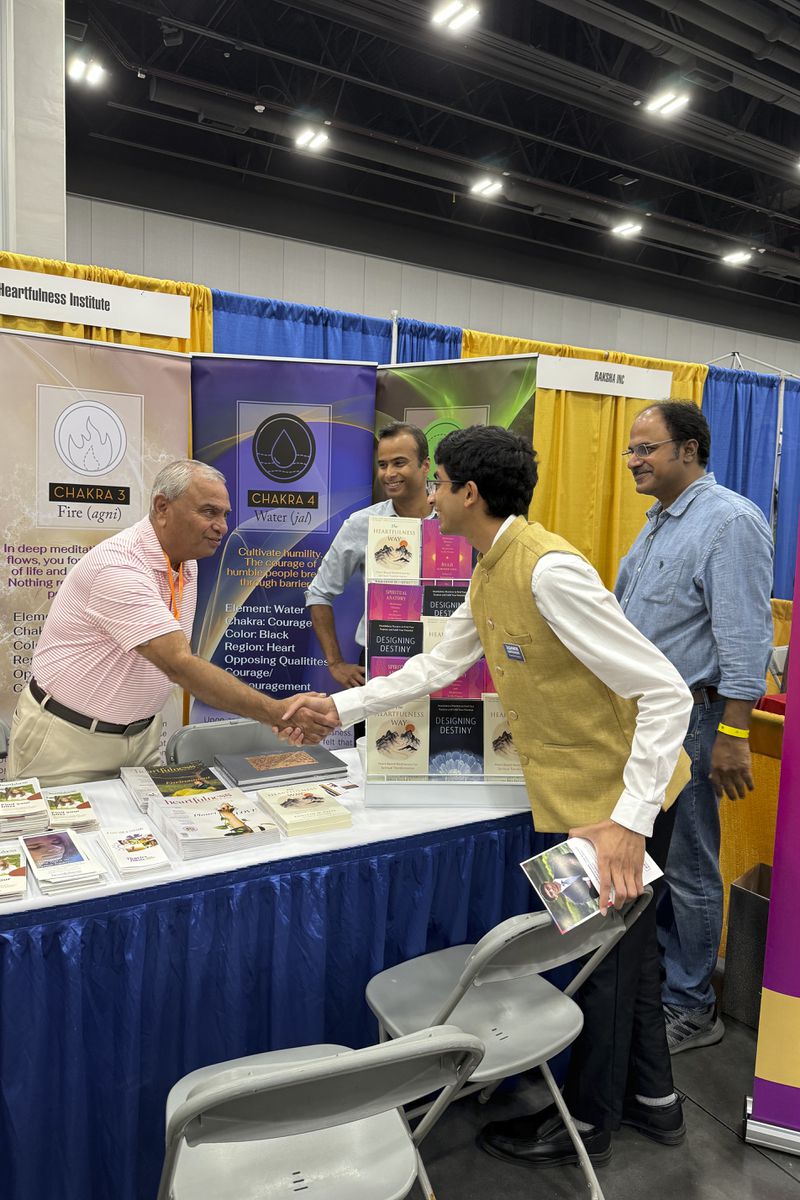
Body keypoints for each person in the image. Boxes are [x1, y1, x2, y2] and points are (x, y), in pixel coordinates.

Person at [285, 425, 694, 1167]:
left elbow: (666, 692)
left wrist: (630, 822)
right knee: (628, 961)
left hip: (618, 806)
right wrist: (336, 710)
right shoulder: (488, 568)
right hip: (589, 801)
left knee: (595, 965)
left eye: (437, 482)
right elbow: (436, 668)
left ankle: (590, 1127)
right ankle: (655, 1105)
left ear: (468, 492)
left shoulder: (547, 571)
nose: (427, 495)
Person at [7, 459, 336, 789]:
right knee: (54, 841)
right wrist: (277, 713)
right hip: (69, 742)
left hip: (142, 740)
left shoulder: (185, 564)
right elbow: (178, 664)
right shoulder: (119, 568)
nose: (222, 526)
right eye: (209, 512)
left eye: (224, 514)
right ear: (162, 507)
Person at [616, 401, 773, 1053]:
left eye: (646, 448)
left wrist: (735, 735)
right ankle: (660, 986)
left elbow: (745, 636)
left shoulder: (729, 521)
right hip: (649, 720)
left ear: (689, 449)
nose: (634, 460)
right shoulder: (657, 523)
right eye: (630, 449)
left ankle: (693, 1004)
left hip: (697, 720)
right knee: (652, 858)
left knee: (689, 864)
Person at [305, 422, 431, 689]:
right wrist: (335, 662)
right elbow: (318, 592)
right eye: (383, 464)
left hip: (445, 663)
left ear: (425, 465)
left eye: (399, 463)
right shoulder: (363, 523)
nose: (389, 474)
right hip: (380, 666)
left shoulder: (454, 517)